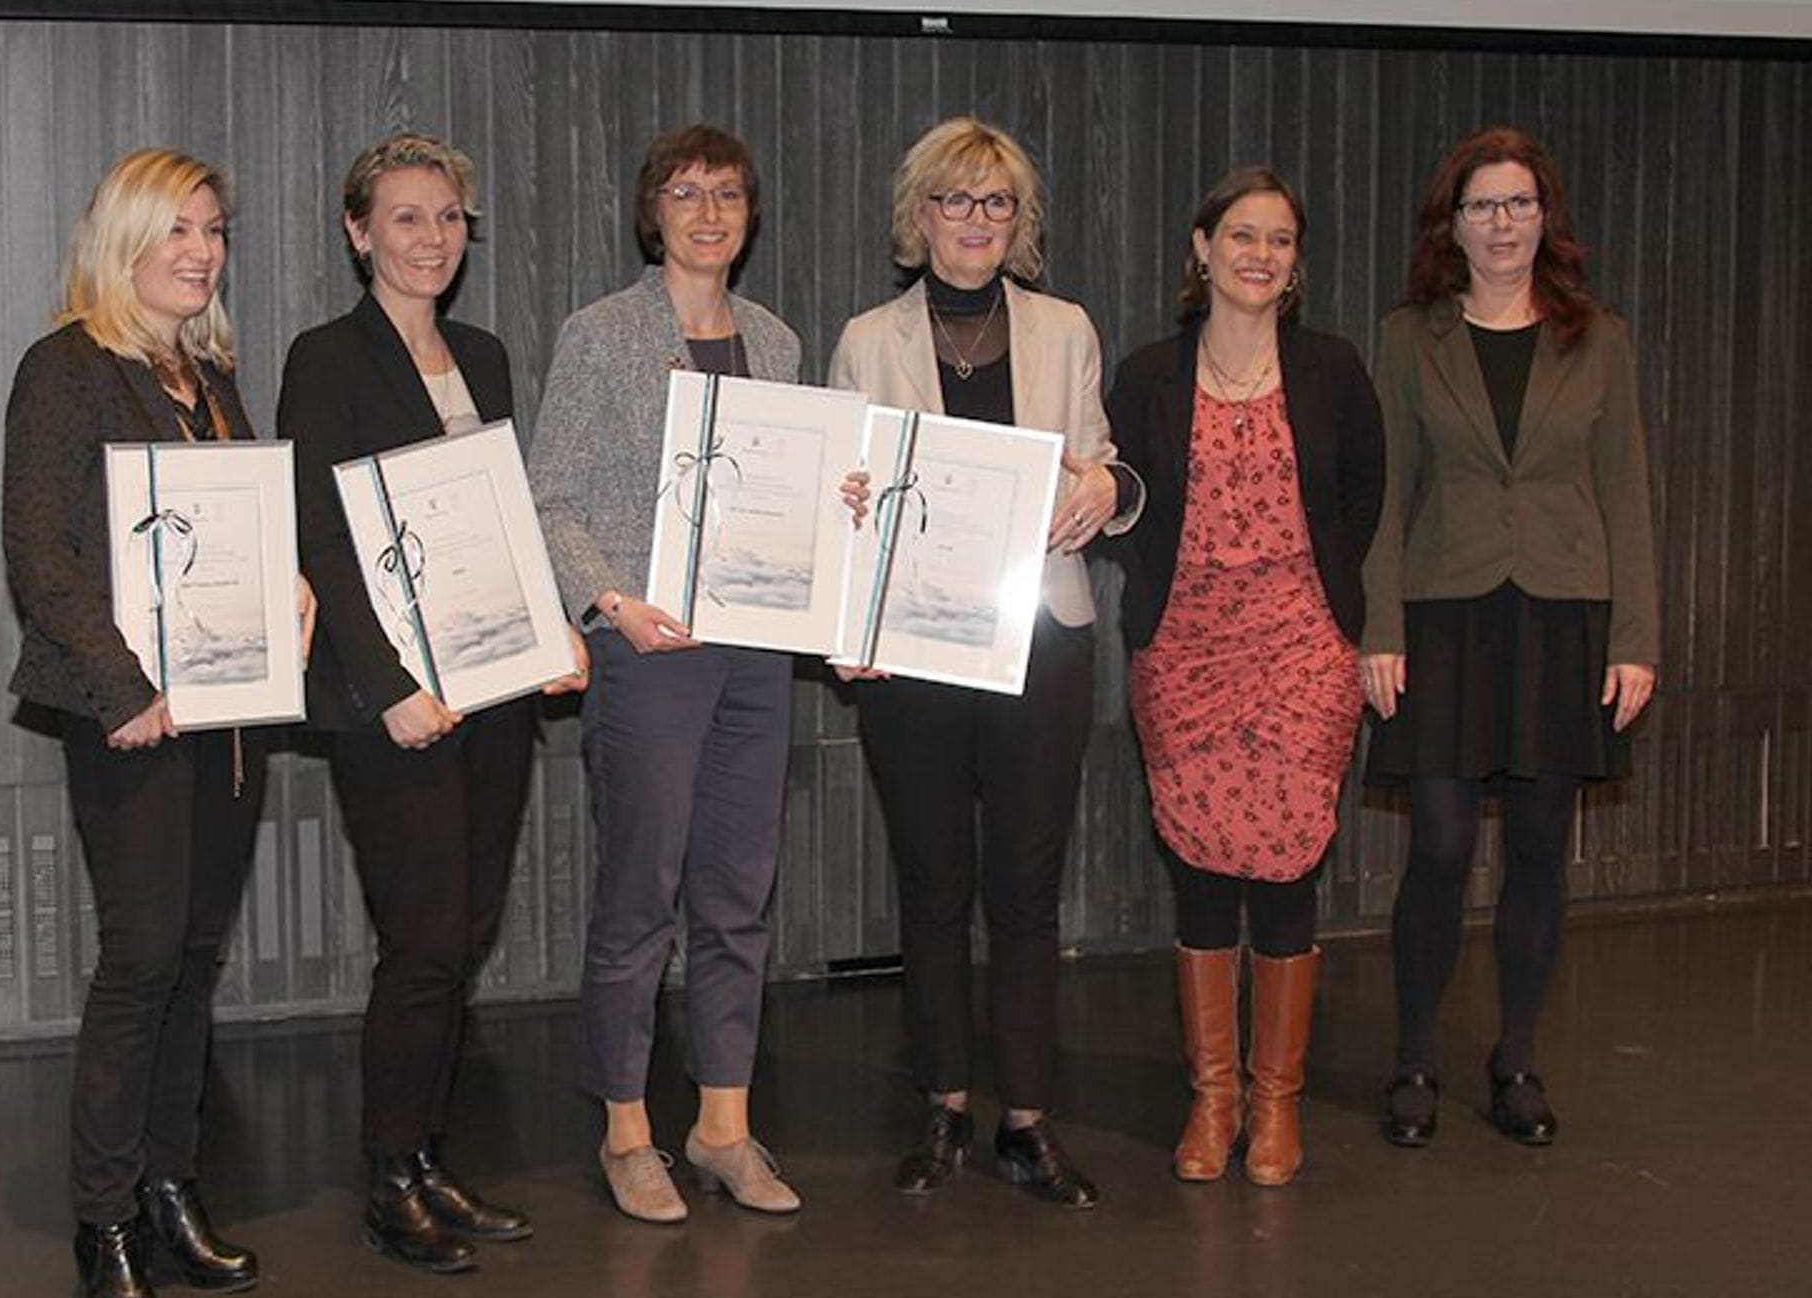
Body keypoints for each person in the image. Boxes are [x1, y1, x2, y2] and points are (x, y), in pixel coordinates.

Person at [3, 148, 315, 1298]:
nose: (200, 250)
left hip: (225, 714)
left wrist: (286, 583)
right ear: (122, 239)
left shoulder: (209, 374)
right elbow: (41, 554)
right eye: (175, 229)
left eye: (212, 229)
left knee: (193, 958)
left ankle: (173, 1190)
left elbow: (233, 528)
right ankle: (104, 1231)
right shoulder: (65, 369)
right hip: (128, 716)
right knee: (139, 963)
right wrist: (123, 686)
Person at [279, 133, 586, 1273]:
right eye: (404, 218)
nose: (429, 238)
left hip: (495, 696)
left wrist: (548, 632)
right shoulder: (326, 359)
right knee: (418, 944)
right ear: (359, 233)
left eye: (447, 217)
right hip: (396, 706)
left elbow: (502, 522)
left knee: (461, 937)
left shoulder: (485, 355)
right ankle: (385, 1176)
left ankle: (426, 1156)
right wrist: (392, 687)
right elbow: (322, 537)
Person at [828, 116, 1141, 1208]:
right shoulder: (868, 339)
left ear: (1020, 223)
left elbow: (1099, 467)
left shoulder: (1064, 330)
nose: (973, 221)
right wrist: (847, 536)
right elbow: (842, 499)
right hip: (912, 653)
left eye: (994, 203)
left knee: (1023, 891)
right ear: (918, 219)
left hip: (1039, 643)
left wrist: (1107, 487)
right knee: (929, 889)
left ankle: (1026, 1121)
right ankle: (943, 1106)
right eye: (954, 201)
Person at [528, 124, 807, 1224]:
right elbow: (551, 497)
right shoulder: (600, 337)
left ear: (748, 215)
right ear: (653, 210)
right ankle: (628, 1130)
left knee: (737, 898)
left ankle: (723, 1126)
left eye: (726, 195)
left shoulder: (779, 344)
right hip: (645, 654)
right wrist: (608, 604)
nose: (705, 213)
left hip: (755, 653)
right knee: (640, 898)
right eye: (684, 193)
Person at [1362, 127, 1657, 1149]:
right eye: (1481, 206)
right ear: (1451, 224)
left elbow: (1624, 493)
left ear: (1545, 219)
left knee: (1536, 849)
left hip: (1560, 614)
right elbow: (1387, 496)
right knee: (1438, 847)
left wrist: (1635, 638)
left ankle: (1516, 1058)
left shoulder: (1597, 339)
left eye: (1517, 204)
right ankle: (1410, 1060)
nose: (1500, 224)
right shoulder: (1408, 339)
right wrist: (1378, 628)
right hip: (1442, 617)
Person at [1109, 167, 1384, 1186]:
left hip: (1301, 652)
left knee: (1281, 874)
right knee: (1197, 877)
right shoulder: (1143, 377)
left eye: (1277, 240)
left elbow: (1360, 498)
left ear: (1293, 261)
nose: (1258, 254)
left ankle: (1273, 1105)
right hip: (1180, 654)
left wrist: (1311, 615)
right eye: (1240, 235)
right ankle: (1211, 1095)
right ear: (1200, 247)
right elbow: (1122, 501)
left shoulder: (1331, 369)